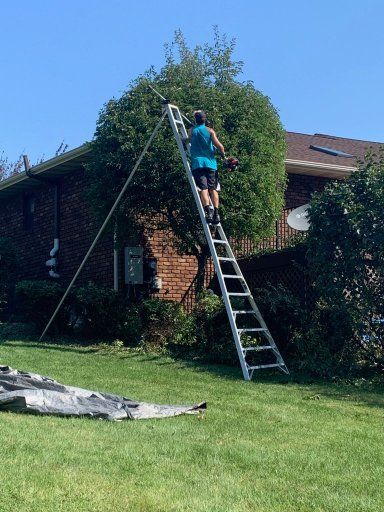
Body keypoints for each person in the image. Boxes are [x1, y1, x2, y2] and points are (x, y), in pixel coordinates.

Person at [188, 110, 225, 224]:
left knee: (203, 189)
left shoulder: (192, 130)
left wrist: (183, 139)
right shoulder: (210, 131)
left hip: (198, 164)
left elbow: (188, 139)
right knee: (213, 189)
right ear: (205, 119)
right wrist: (224, 156)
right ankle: (216, 214)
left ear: (196, 119)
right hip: (211, 164)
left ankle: (208, 212)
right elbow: (219, 146)